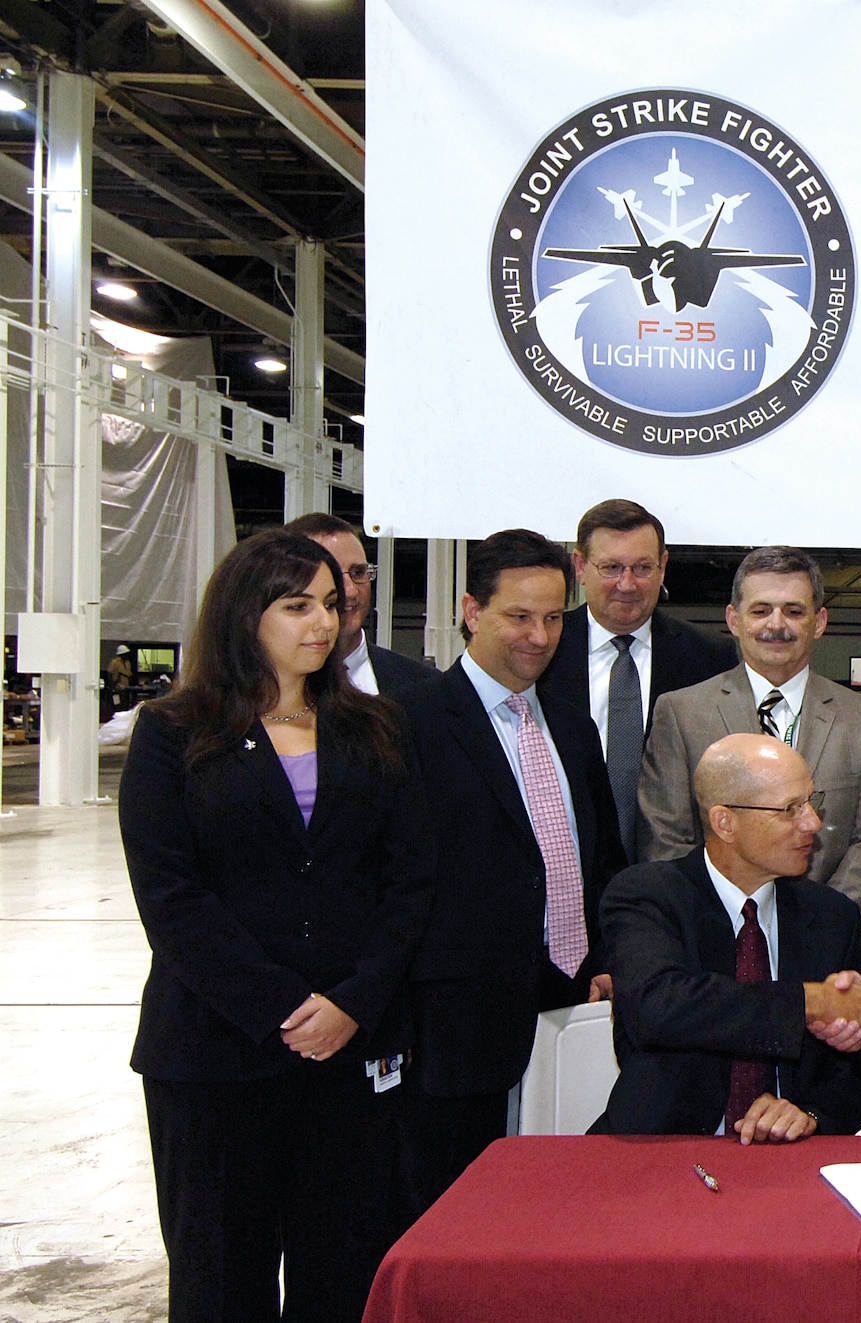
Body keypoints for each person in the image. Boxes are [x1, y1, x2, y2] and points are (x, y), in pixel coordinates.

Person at [120, 530, 433, 1321]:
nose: (323, 621)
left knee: (344, 1267)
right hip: (216, 1055)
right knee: (222, 1275)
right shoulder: (172, 730)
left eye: (330, 603)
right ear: (243, 613)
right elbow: (171, 897)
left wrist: (353, 1002)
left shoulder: (375, 729)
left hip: (350, 1051)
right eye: (298, 605)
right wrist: (281, 1010)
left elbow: (408, 883)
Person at [398, 529, 625, 1214]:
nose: (539, 635)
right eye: (518, 616)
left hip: (572, 1005)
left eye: (554, 617)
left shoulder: (569, 720)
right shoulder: (411, 722)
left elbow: (603, 856)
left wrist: (606, 954)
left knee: (555, 1209)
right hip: (456, 1027)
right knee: (458, 1212)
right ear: (472, 610)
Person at [592, 735, 861, 1138]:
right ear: (724, 822)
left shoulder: (833, 916)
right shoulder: (647, 896)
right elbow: (661, 1006)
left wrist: (809, 1115)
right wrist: (808, 1001)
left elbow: (859, 1076)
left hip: (788, 1164)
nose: (813, 823)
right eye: (789, 809)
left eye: (811, 803)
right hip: (661, 1150)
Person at [636, 546, 861, 920]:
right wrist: (723, 927)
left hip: (825, 947)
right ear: (733, 619)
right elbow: (666, 840)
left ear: (820, 621)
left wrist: (823, 933)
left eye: (794, 611)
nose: (776, 625)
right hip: (713, 942)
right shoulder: (680, 714)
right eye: (760, 611)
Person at [539, 499, 738, 858]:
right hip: (564, 867)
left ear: (663, 566)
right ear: (581, 566)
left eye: (642, 568)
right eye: (612, 567)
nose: (627, 584)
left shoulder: (708, 658)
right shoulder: (541, 652)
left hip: (673, 875)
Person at [284, 512, 436, 705]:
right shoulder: (250, 694)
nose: (351, 591)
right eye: (333, 575)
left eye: (359, 572)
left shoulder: (424, 689)